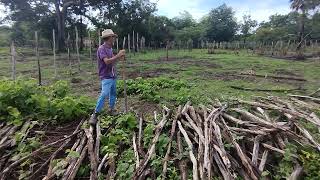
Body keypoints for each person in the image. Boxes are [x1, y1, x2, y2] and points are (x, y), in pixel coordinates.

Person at [89, 29, 126, 125]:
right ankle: (95, 114)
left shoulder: (109, 49)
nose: (114, 39)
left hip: (112, 75)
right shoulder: (102, 49)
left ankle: (111, 109)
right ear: (109, 38)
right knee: (105, 93)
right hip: (106, 76)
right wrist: (118, 55)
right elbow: (107, 61)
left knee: (113, 93)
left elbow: (112, 61)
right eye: (113, 37)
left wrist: (120, 57)